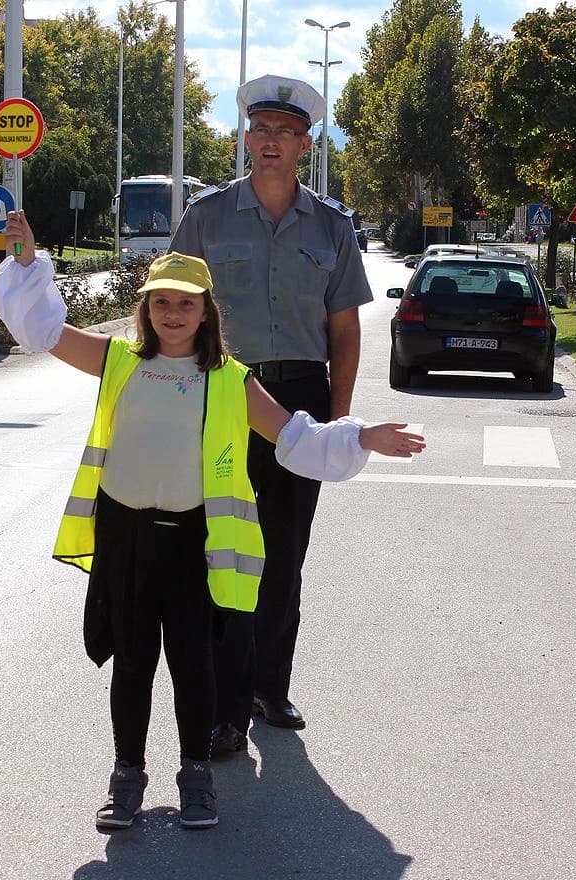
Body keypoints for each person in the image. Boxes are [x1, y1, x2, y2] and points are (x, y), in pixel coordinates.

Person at [0, 210, 425, 832]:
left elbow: (294, 436)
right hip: (126, 537)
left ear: (205, 313)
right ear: (145, 309)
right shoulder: (115, 360)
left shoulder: (230, 380)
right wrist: (28, 261)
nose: (172, 313)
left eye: (186, 304)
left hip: (193, 542)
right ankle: (126, 777)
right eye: (161, 302)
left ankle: (196, 777)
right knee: (133, 664)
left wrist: (363, 435)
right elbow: (45, 330)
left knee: (194, 665)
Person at [169, 74, 372, 751]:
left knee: (284, 555)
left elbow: (345, 331)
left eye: (285, 133)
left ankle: (269, 688)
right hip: (224, 396)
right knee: (225, 552)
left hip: (302, 398)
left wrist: (338, 426)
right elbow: (173, 314)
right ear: (246, 138)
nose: (270, 143)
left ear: (306, 143)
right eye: (260, 130)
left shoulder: (333, 226)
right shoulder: (206, 218)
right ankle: (226, 707)